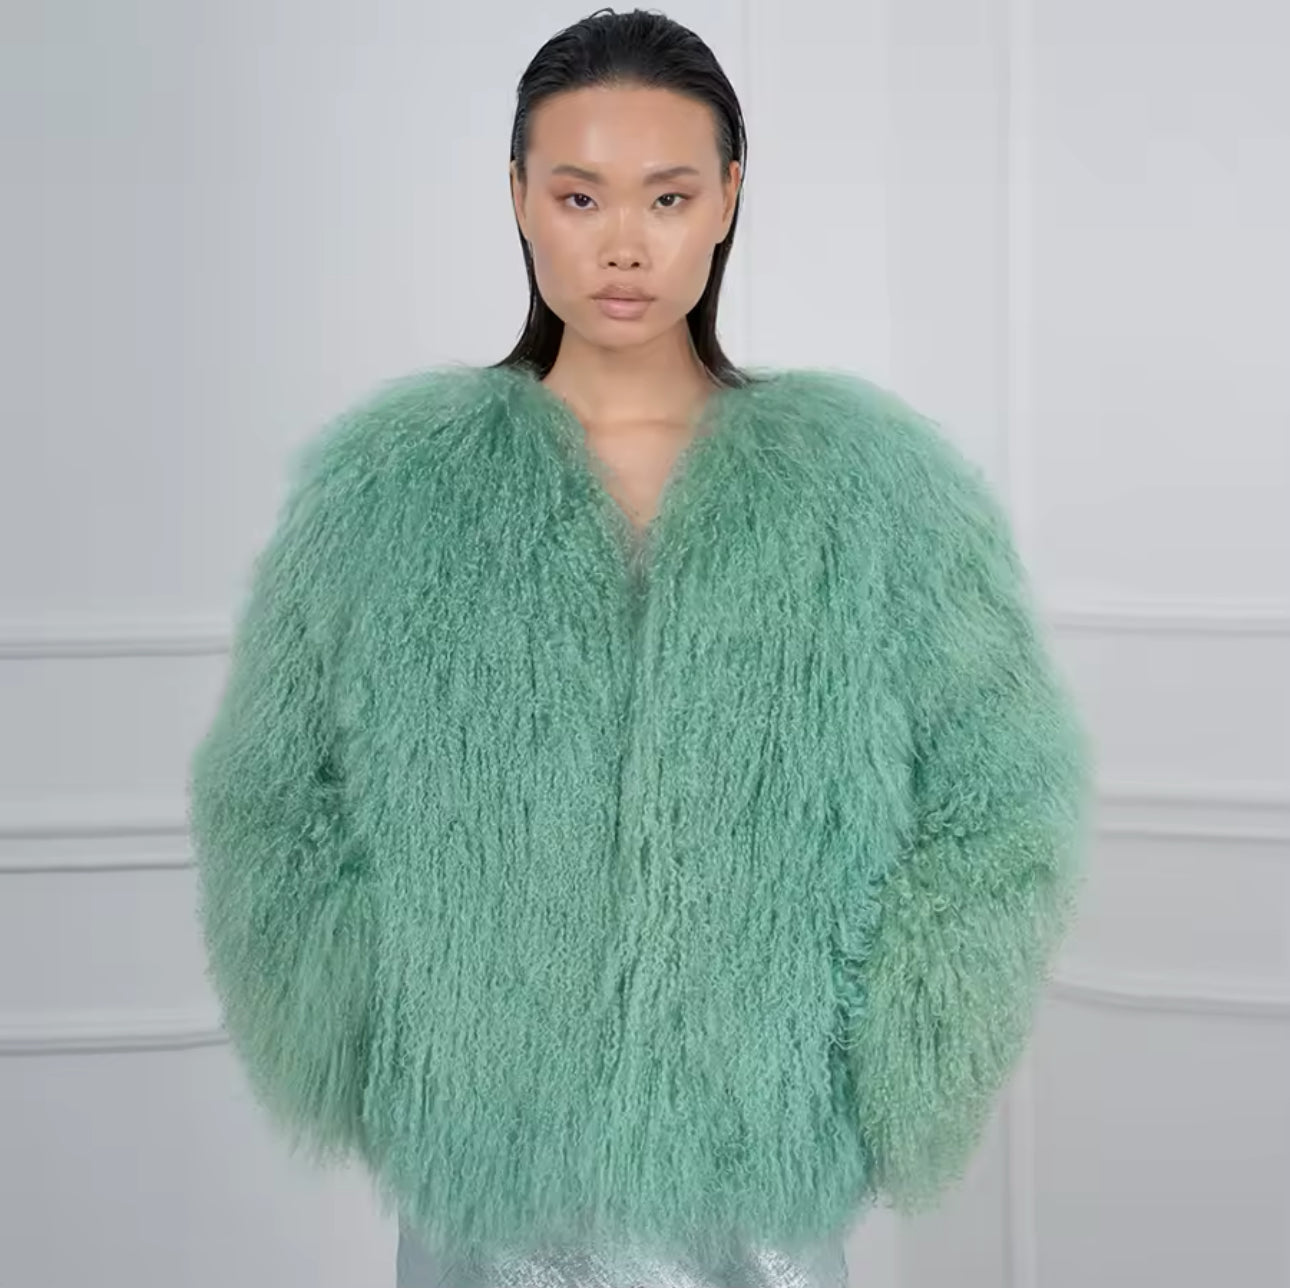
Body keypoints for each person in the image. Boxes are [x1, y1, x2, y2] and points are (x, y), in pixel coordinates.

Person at [186, 8, 1095, 1288]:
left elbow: (1005, 793)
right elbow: (270, 792)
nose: (624, 243)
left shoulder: (872, 488)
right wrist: (391, 1031)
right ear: (518, 195)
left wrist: (885, 1052)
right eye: (580, 195)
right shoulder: (391, 491)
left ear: (728, 197)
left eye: (668, 196)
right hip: (494, 1186)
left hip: (754, 1183)